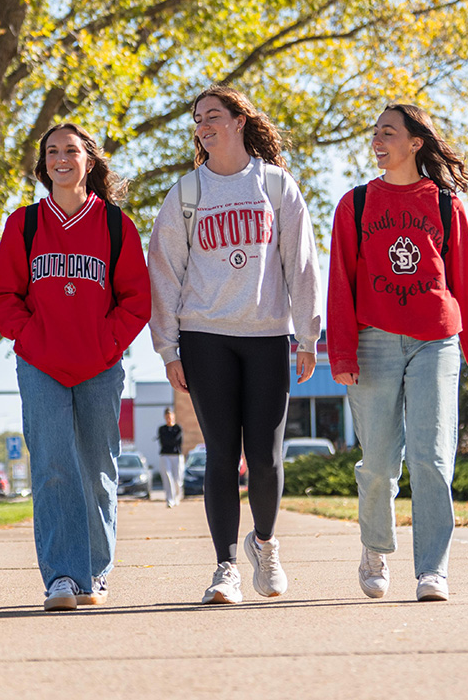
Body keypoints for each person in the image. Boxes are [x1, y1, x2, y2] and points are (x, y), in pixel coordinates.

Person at [148, 86, 322, 605]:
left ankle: (264, 545)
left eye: (213, 116)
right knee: (221, 454)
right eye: (197, 119)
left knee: (264, 458)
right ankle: (225, 567)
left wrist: (308, 336)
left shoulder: (275, 185)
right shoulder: (185, 194)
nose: (203, 126)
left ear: (240, 120)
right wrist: (168, 348)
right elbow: (163, 273)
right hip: (205, 338)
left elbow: (302, 263)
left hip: (267, 335)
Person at [327, 103, 468, 603]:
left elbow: (467, 282)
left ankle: (432, 570)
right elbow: (341, 284)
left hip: (434, 341)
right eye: (375, 132)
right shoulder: (354, 205)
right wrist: (342, 353)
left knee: (432, 457)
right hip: (373, 340)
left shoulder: (445, 204)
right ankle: (375, 547)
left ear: (415, 142)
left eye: (389, 132)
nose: (378, 139)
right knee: (379, 461)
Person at [0, 122, 151, 611]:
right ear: (43, 165)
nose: (62, 158)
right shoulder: (25, 224)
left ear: (89, 161)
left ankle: (94, 575)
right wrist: (33, 338)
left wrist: (107, 342)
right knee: (54, 468)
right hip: (41, 366)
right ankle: (61, 576)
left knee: (98, 469)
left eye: (71, 150)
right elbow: (2, 296)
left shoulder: (116, 225)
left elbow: (137, 300)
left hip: (100, 365)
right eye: (52, 151)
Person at [157, 407, 184, 508]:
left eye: (170, 416)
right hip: (165, 455)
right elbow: (163, 442)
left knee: (177, 479)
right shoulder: (162, 429)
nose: (169, 418)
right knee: (168, 477)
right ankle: (170, 499)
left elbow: (178, 441)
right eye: (167, 416)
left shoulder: (178, 428)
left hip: (177, 455)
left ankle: (177, 496)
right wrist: (170, 440)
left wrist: (170, 440)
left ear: (173, 416)